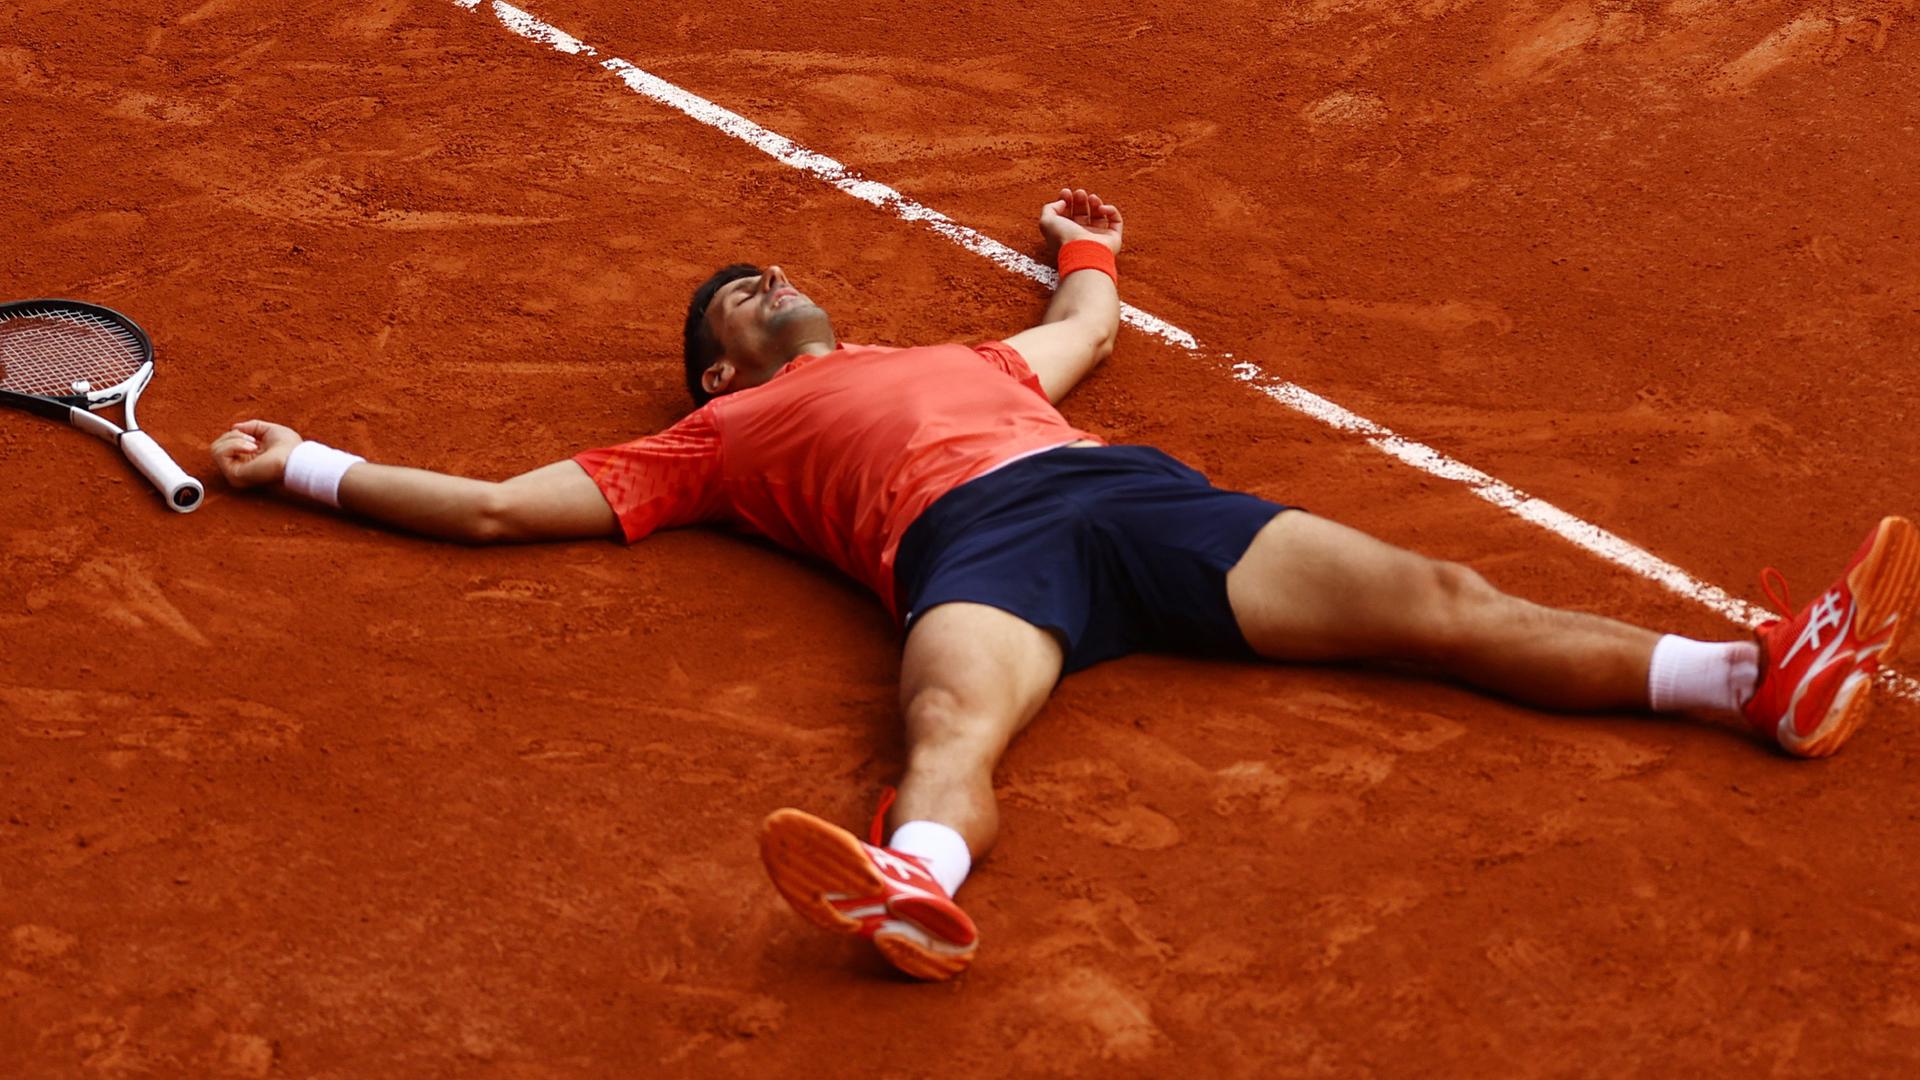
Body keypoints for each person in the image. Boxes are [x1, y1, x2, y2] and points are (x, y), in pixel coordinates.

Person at [211, 187, 1920, 982]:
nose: (766, 284)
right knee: (951, 712)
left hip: (1122, 498)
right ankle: (913, 885)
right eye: (734, 297)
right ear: (716, 377)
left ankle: (1744, 680)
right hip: (972, 556)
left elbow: (1084, 334)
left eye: (772, 272)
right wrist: (303, 464)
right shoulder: (716, 445)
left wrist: (1084, 255)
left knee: (1444, 599)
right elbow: (506, 509)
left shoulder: (970, 351)